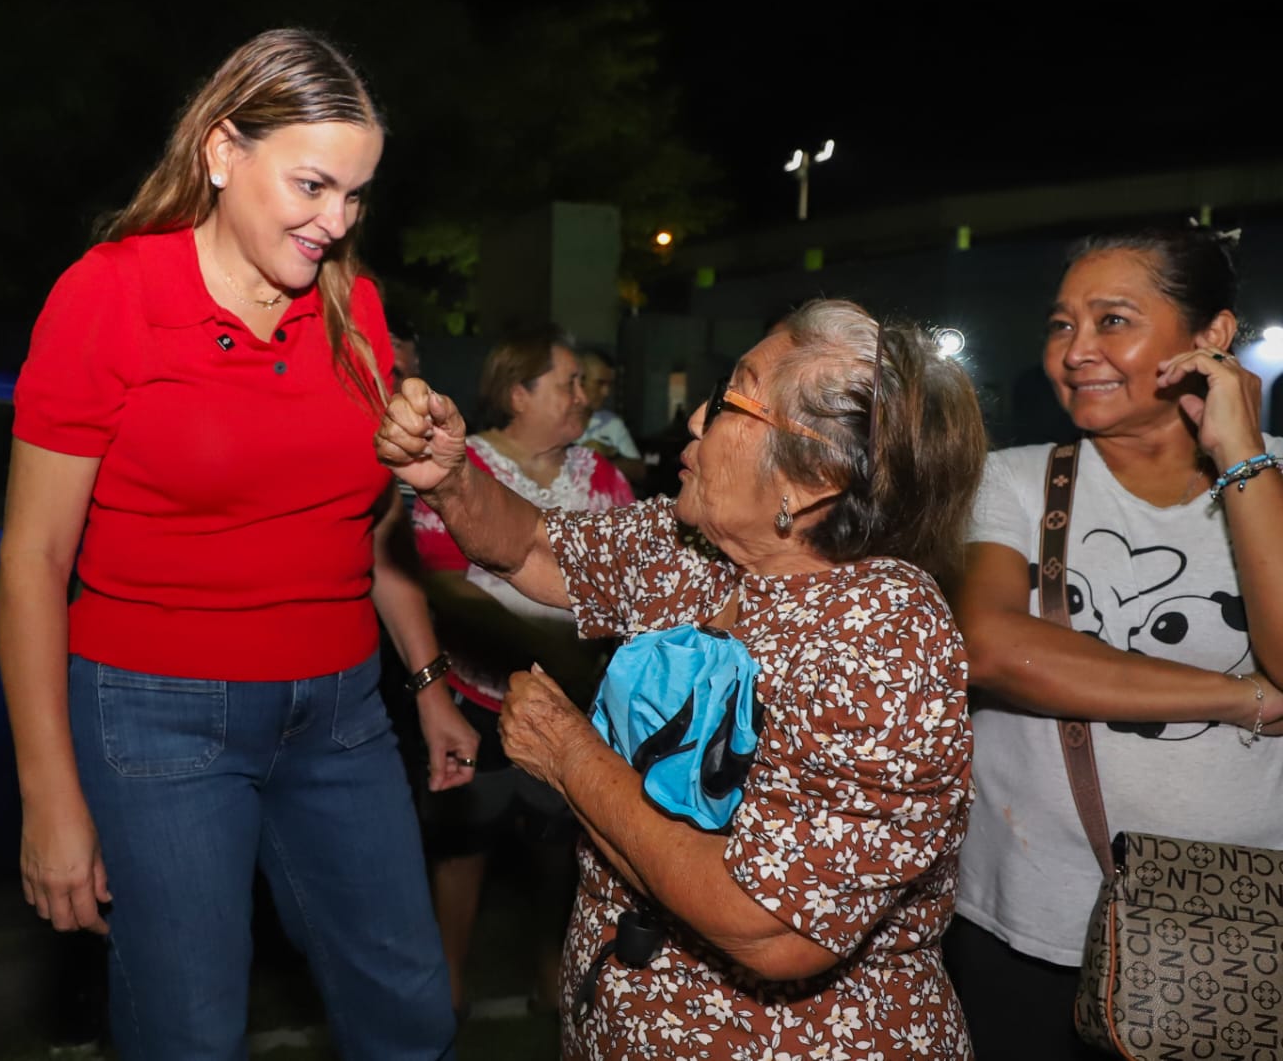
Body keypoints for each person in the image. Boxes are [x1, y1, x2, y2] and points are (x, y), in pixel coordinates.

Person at [0, 28, 475, 1061]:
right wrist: (49, 795)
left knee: (412, 1015)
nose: (334, 221)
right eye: (312, 185)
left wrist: (414, 458)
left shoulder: (358, 306)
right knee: (188, 1033)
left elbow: (369, 523)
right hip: (155, 716)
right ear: (221, 151)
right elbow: (33, 560)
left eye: (355, 195)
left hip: (340, 707)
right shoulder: (109, 294)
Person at [378, 299, 987, 1059]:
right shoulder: (688, 545)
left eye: (734, 398)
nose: (697, 415)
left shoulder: (884, 634)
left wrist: (572, 757)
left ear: (815, 475)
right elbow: (533, 545)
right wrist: (450, 478)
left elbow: (771, 925)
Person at [946, 226, 1283, 1060]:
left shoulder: (1275, 479)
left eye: (1112, 320)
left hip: (1235, 927)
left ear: (1210, 337)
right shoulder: (1015, 479)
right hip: (1029, 927)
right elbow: (988, 645)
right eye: (1062, 324)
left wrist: (1241, 454)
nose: (1077, 351)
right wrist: (1238, 694)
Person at [411, 327, 633, 1016]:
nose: (583, 395)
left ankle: (554, 979)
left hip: (574, 704)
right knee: (464, 847)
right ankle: (445, 983)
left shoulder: (601, 477)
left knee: (560, 854)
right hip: (475, 695)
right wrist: (541, 642)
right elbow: (441, 584)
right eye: (567, 382)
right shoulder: (460, 467)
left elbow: (630, 579)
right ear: (517, 393)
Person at [576, 347, 647, 488]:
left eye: (609, 385)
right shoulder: (556, 421)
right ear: (579, 380)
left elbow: (639, 470)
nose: (606, 392)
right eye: (600, 383)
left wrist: (600, 461)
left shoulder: (612, 423)